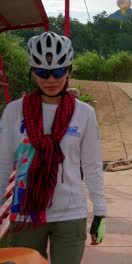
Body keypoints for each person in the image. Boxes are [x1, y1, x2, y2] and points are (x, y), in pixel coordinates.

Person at [0, 31, 106, 263]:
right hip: (26, 214)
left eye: (59, 72)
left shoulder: (84, 113)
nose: (51, 80)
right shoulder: (14, 112)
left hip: (70, 214)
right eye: (42, 72)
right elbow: (3, 164)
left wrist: (100, 210)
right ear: (32, 72)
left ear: (68, 71)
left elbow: (91, 165)